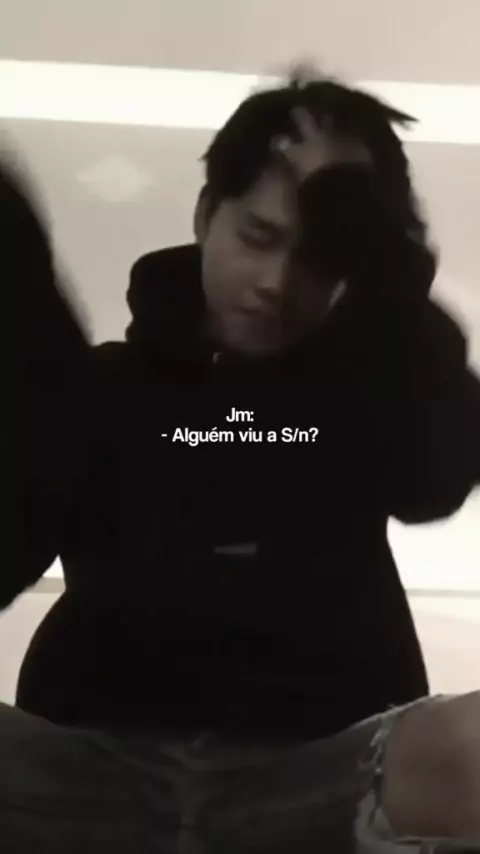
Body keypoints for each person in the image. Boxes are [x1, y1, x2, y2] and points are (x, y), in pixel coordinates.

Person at [1, 71, 480, 852]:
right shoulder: (103, 386)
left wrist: (369, 240)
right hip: (94, 772)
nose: (276, 283)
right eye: (257, 238)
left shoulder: (373, 390)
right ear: (204, 215)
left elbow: (437, 478)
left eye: (319, 257)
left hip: (319, 777)